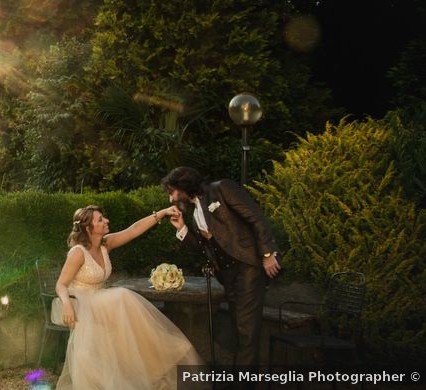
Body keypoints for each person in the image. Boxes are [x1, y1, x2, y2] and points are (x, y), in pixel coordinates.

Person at [55, 205, 203, 390]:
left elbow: (133, 230)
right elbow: (61, 284)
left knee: (126, 311)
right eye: (100, 220)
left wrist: (163, 213)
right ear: (88, 228)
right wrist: (67, 303)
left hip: (102, 301)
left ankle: (154, 363)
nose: (106, 221)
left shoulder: (104, 244)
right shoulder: (78, 252)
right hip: (83, 305)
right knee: (122, 295)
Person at [161, 166, 281, 368]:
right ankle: (239, 380)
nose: (171, 198)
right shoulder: (196, 212)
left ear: (184, 185)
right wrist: (182, 228)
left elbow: (256, 218)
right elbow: (204, 249)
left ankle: (243, 384)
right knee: (238, 329)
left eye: (172, 191)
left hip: (248, 266)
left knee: (246, 330)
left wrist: (268, 253)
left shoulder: (221, 188)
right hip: (229, 275)